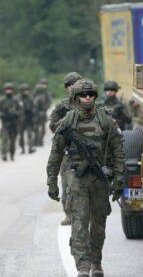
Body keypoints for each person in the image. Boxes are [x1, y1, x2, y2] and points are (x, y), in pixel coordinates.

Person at [46, 79, 125, 277]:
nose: (87, 98)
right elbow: (56, 153)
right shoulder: (68, 121)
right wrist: (52, 182)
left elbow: (118, 151)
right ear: (76, 97)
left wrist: (118, 180)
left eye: (90, 94)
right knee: (79, 223)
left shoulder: (105, 120)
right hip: (77, 179)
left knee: (98, 224)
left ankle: (96, 263)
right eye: (83, 94)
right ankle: (83, 266)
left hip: (100, 179)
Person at [48, 71, 82, 226]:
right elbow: (53, 126)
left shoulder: (90, 103)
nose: (71, 88)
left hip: (87, 152)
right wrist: (66, 121)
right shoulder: (62, 106)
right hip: (67, 151)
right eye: (68, 85)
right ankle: (68, 213)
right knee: (67, 184)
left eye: (74, 84)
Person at [0, 83, 21, 161]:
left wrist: (15, 114)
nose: (8, 91)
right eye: (7, 89)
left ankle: (12, 154)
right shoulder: (2, 100)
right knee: (4, 139)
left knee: (12, 141)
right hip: (5, 123)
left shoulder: (16, 100)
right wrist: (2, 115)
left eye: (10, 89)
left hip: (14, 124)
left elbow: (20, 111)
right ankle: (4, 154)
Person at [17, 83, 36, 154]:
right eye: (25, 90)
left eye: (27, 90)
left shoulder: (30, 98)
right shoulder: (18, 98)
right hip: (20, 120)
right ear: (21, 91)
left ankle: (30, 148)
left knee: (30, 135)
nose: (26, 91)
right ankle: (22, 149)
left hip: (28, 120)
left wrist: (31, 112)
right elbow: (15, 108)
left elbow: (34, 108)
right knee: (21, 136)